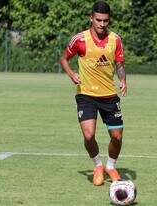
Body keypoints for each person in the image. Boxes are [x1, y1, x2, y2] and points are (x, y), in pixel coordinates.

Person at [60, 1, 127, 186]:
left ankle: (111, 166)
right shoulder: (79, 39)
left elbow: (120, 64)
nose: (102, 24)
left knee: (117, 137)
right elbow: (64, 58)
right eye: (98, 20)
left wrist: (123, 80)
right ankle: (98, 165)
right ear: (91, 18)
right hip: (86, 95)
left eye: (105, 21)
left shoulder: (116, 40)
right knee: (89, 135)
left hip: (109, 96)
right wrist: (71, 73)